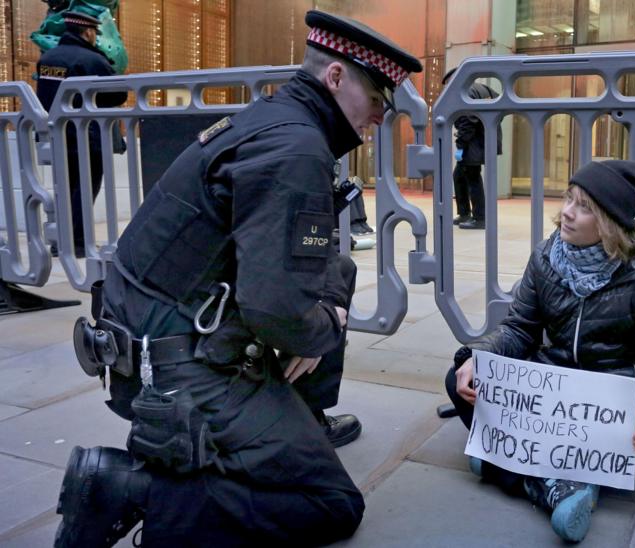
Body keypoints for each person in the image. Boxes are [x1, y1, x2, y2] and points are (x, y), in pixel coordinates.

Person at [55, 10, 421, 547]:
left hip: (153, 336)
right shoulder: (297, 149)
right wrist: (324, 326)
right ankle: (131, 489)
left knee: (335, 274)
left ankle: (294, 422)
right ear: (335, 77)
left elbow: (307, 264)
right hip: (178, 367)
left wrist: (316, 317)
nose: (378, 117)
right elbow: (275, 312)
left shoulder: (276, 120)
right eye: (375, 100)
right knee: (330, 504)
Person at [445, 160, 635, 542]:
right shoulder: (546, 257)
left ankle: (510, 466)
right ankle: (562, 481)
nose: (567, 212)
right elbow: (518, 328)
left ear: (610, 223)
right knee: (460, 380)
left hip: (608, 402)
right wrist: (479, 358)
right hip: (550, 395)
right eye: (568, 198)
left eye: (584, 207)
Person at [35, 10, 127, 258]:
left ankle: (60, 241)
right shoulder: (92, 59)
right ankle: (77, 243)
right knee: (85, 189)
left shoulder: (48, 58)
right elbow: (118, 94)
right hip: (87, 136)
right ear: (87, 32)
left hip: (56, 134)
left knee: (64, 188)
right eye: (94, 33)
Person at [444, 67, 502, 230]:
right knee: (459, 175)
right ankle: (464, 213)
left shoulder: (465, 92)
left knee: (472, 177)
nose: (447, 88)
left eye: (448, 84)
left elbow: (467, 123)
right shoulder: (482, 88)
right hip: (485, 139)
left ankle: (480, 217)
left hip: (474, 143)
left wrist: (460, 146)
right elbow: (500, 107)